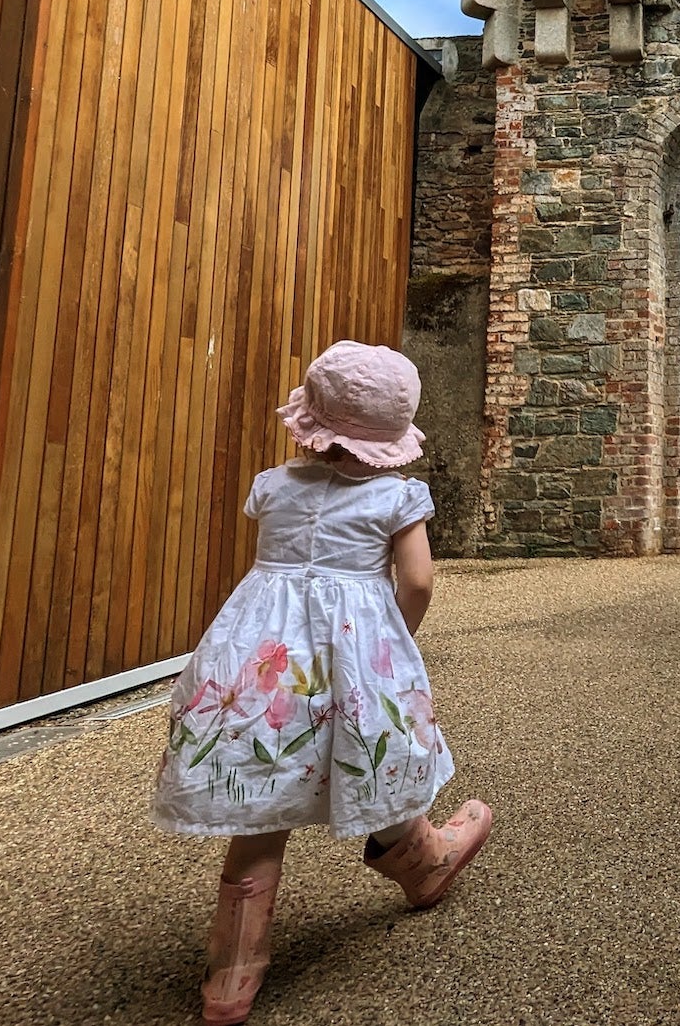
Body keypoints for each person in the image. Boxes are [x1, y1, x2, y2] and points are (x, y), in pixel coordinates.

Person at [150, 341, 492, 1025]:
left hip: (265, 660)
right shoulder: (398, 496)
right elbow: (418, 581)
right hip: (352, 656)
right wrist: (390, 640)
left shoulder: (274, 485)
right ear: (394, 432)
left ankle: (234, 972)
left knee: (267, 799)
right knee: (366, 752)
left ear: (314, 421)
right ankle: (424, 862)